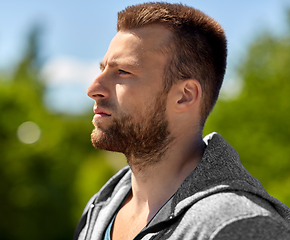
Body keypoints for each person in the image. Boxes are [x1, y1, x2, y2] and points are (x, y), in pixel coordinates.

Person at [74, 2, 290, 240]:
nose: (93, 88)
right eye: (102, 69)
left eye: (123, 72)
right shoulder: (100, 208)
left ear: (185, 96)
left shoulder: (239, 227)